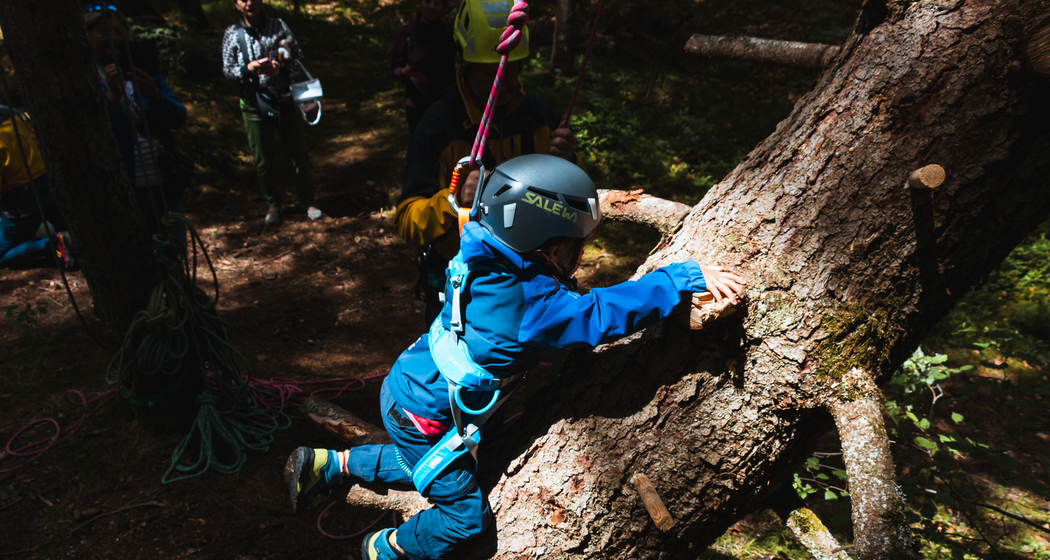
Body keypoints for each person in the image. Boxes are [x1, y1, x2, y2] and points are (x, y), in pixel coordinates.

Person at [284, 155, 746, 560]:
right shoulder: (531, 305)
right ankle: (386, 549)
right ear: (540, 241)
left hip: (411, 388)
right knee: (463, 517)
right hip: (427, 416)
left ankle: (327, 465)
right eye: (570, 246)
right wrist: (677, 279)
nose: (578, 257)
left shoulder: (483, 250)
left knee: (423, 466)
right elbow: (599, 314)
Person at [396, 0, 577, 324]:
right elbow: (408, 221)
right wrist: (454, 200)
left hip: (527, 274)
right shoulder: (439, 125)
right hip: (458, 284)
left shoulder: (538, 116)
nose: (504, 81)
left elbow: (570, 209)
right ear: (464, 63)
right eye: (491, 71)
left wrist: (567, 166)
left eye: (513, 68)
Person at [86, 4, 190, 245]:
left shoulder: (144, 70)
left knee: (175, 249)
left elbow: (178, 117)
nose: (113, 38)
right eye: (104, 32)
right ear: (88, 37)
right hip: (125, 190)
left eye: (118, 32)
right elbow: (90, 134)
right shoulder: (85, 78)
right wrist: (112, 98)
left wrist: (154, 95)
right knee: (141, 254)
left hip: (165, 182)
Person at [222, 0, 321, 225]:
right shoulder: (232, 33)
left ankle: (308, 200)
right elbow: (227, 69)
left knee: (298, 152)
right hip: (252, 102)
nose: (249, 3)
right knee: (262, 159)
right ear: (235, 3)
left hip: (284, 99)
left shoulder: (278, 26)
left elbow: (298, 60)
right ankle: (273, 204)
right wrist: (248, 69)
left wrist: (280, 68)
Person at [0, 50, 73, 270]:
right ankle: (55, 234)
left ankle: (51, 243)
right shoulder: (10, 112)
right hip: (48, 186)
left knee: (2, 255)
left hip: (22, 201)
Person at [390, 0, 456, 134]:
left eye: (437, 3)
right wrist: (404, 72)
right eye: (428, 2)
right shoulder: (407, 32)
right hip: (416, 104)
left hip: (445, 102)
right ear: (420, 4)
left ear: (443, 8)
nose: (431, 7)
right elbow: (395, 68)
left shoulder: (450, 32)